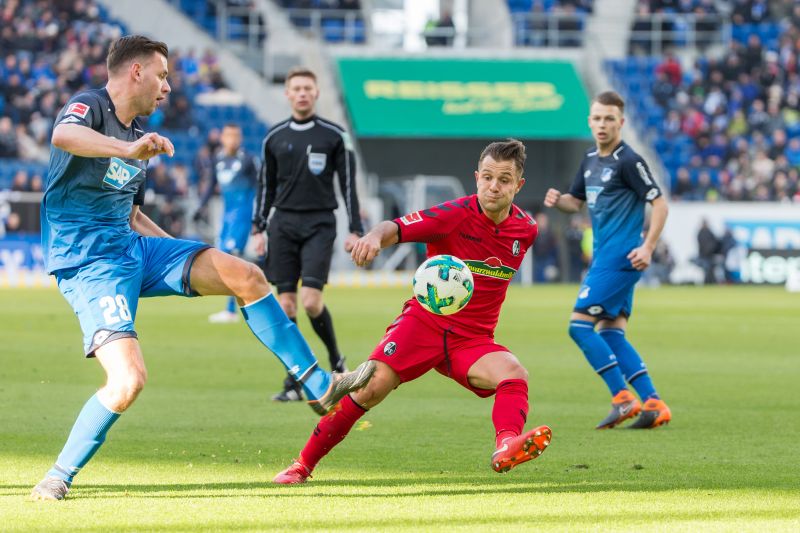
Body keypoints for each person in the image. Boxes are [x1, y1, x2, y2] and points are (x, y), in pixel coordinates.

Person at [30, 35, 375, 502]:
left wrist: (182, 258)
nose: (168, 87)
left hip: (135, 248)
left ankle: (318, 385)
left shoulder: (135, 138)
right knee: (128, 381)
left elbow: (131, 214)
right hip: (90, 263)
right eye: (163, 75)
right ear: (136, 72)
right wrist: (126, 151)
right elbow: (62, 137)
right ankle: (58, 475)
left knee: (247, 275)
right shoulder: (89, 107)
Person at [272, 139, 552, 484]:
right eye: (488, 177)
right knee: (370, 390)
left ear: (519, 185)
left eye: (505, 180)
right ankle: (302, 465)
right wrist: (374, 239)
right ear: (476, 177)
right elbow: (397, 227)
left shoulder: (526, 230)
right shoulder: (453, 215)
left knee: (513, 373)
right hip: (423, 326)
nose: (494, 187)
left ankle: (506, 445)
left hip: (472, 340)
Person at [544, 90, 672, 430]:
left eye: (609, 119)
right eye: (597, 118)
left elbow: (659, 203)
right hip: (605, 256)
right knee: (612, 333)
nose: (602, 124)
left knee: (579, 326)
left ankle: (622, 397)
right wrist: (560, 201)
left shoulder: (630, 161)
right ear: (590, 121)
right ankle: (654, 402)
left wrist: (648, 246)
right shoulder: (589, 160)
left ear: (621, 122)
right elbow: (577, 202)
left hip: (621, 256)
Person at [252, 67, 363, 403]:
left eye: (307, 88)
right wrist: (259, 227)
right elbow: (265, 186)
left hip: (319, 223)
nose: (301, 93)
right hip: (282, 224)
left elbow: (347, 185)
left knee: (311, 301)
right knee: (286, 306)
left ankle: (336, 360)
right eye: (296, 88)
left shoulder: (334, 135)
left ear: (316, 94)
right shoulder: (274, 137)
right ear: (287, 94)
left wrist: (355, 228)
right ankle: (296, 377)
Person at [193, 124, 259, 323]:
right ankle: (250, 296)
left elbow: (260, 188)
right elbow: (211, 185)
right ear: (222, 137)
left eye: (237, 135)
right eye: (229, 135)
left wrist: (258, 218)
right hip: (227, 216)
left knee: (231, 258)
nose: (233, 139)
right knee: (226, 261)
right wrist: (201, 207)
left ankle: (232, 309)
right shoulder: (218, 159)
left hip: (242, 216)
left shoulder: (248, 160)